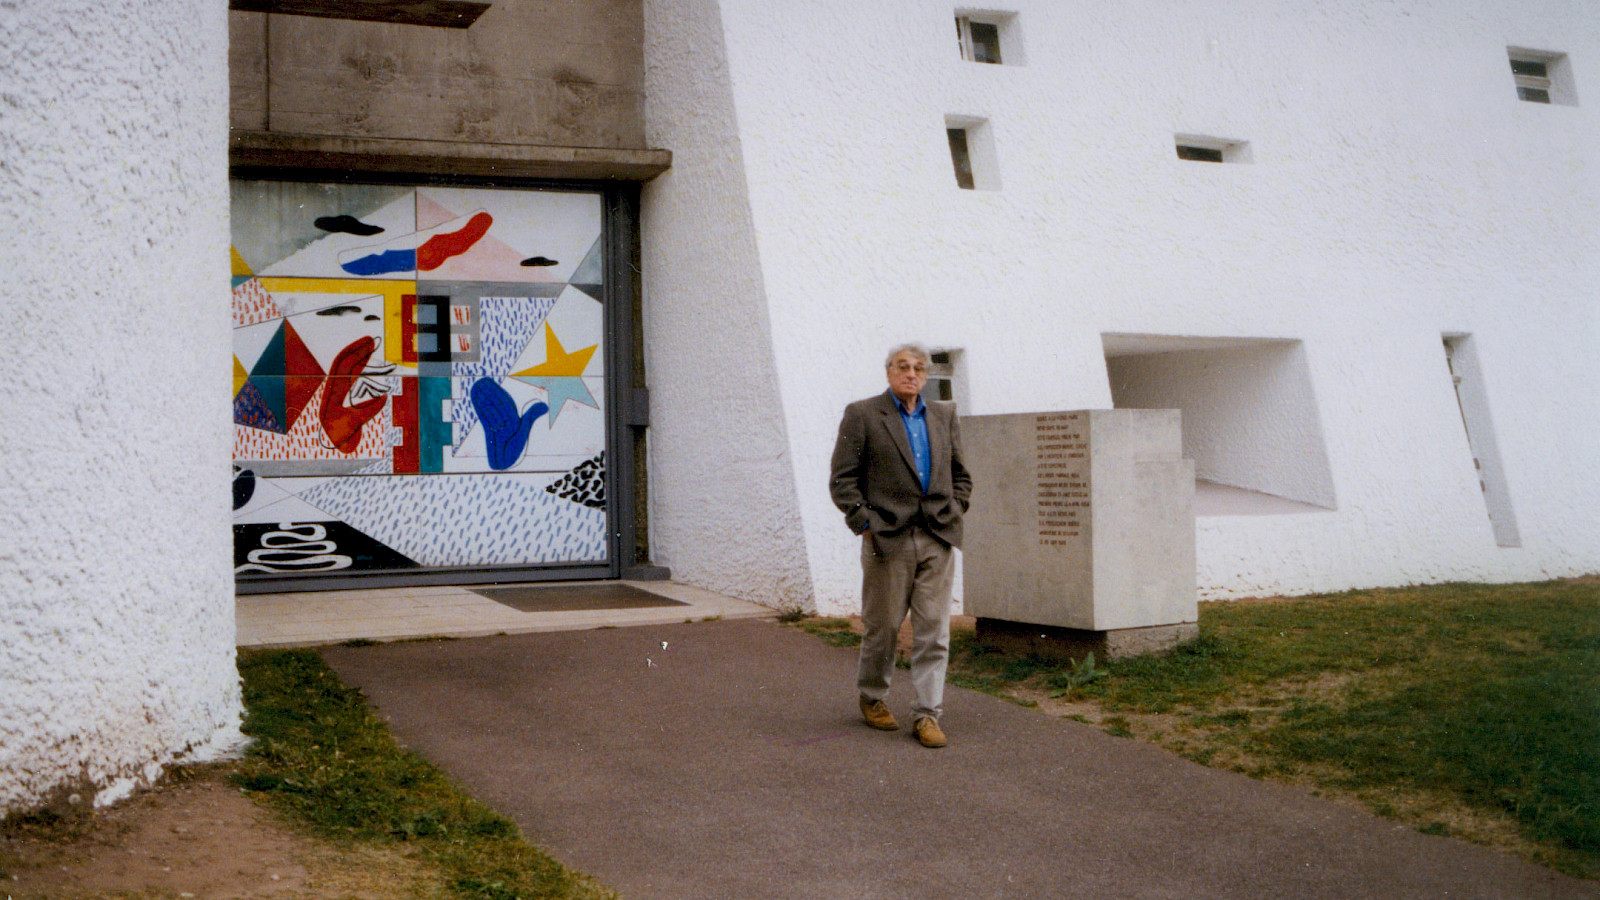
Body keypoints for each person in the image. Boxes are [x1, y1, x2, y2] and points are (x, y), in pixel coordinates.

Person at [829, 343, 972, 748]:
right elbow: (842, 479)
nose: (912, 374)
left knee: (933, 630)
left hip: (937, 536)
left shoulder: (944, 415)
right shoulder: (863, 414)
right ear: (889, 372)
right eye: (903, 367)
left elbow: (961, 473)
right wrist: (865, 523)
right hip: (887, 539)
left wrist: (955, 508)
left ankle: (927, 715)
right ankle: (873, 697)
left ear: (926, 377)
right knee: (884, 627)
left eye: (919, 369)